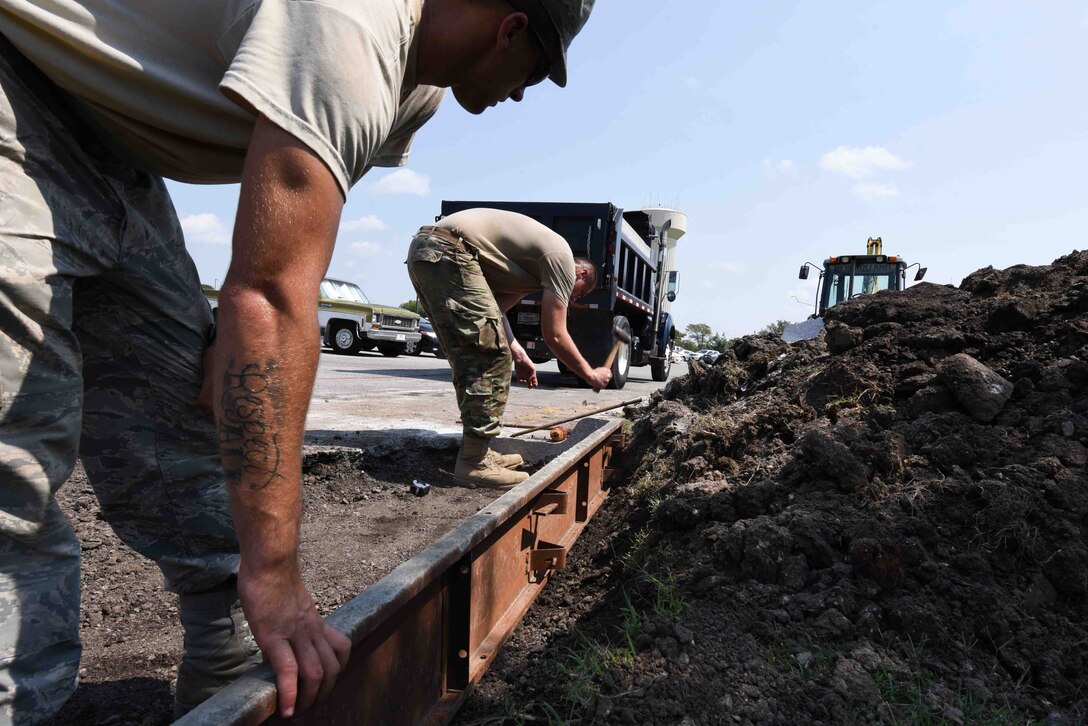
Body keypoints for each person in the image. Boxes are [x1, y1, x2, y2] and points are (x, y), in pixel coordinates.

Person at [0, 0, 596, 722]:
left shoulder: (417, 89)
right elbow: (277, 300)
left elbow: (297, 238)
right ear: (511, 27)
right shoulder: (355, 30)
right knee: (15, 452)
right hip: (22, 84)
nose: (525, 92)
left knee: (188, 404)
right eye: (536, 70)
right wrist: (276, 570)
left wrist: (235, 330)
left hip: (114, 149)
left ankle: (223, 662)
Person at [407, 208, 613, 488]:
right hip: (450, 251)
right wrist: (590, 375)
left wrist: (519, 353)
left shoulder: (524, 272)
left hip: (428, 250)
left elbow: (493, 313)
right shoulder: (561, 259)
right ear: (581, 272)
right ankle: (472, 464)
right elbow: (554, 333)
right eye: (578, 293)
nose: (573, 299)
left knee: (476, 352)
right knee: (489, 358)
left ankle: (478, 450)